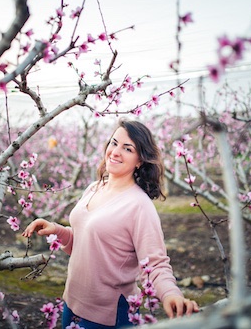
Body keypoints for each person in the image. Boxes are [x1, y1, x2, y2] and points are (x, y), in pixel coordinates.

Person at [22, 119, 199, 328]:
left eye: (127, 148)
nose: (115, 152)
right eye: (113, 143)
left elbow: (155, 264)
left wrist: (171, 295)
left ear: (140, 160)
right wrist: (58, 231)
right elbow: (86, 241)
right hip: (71, 303)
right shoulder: (95, 187)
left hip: (107, 315)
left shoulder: (139, 205)